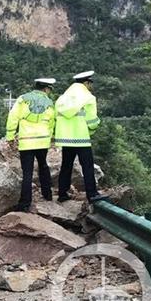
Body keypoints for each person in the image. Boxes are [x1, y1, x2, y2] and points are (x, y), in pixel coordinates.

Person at [54, 70, 108, 203]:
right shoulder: (88, 97)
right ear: (86, 82)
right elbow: (92, 121)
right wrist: (93, 128)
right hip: (81, 138)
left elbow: (56, 117)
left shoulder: (63, 98)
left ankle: (62, 193)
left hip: (66, 139)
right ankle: (92, 194)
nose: (91, 86)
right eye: (90, 83)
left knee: (66, 165)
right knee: (87, 166)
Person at [5, 77, 56, 212]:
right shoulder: (49, 102)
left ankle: (24, 204)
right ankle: (48, 194)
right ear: (46, 88)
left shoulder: (22, 99)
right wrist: (49, 137)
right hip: (42, 141)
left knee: (27, 173)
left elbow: (13, 117)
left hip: (27, 141)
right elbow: (52, 122)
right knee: (43, 166)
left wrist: (10, 136)